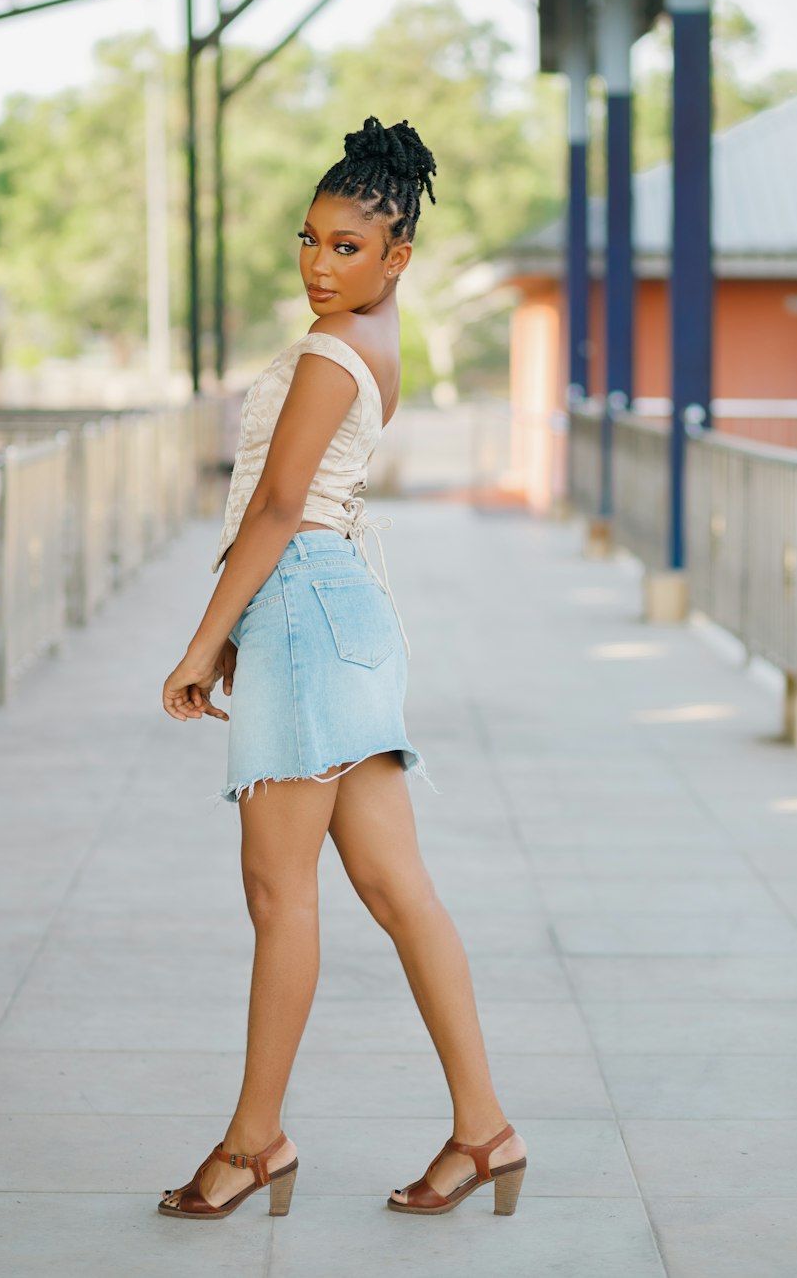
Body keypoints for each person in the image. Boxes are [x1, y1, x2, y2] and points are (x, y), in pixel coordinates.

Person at [157, 116, 528, 1220]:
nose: (322, 265)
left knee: (281, 893)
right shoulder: (378, 344)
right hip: (347, 607)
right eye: (310, 241)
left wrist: (200, 640)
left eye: (349, 247)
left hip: (306, 613)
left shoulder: (329, 353)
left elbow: (277, 510)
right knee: (393, 888)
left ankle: (252, 1144)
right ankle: (485, 1132)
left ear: (397, 257)